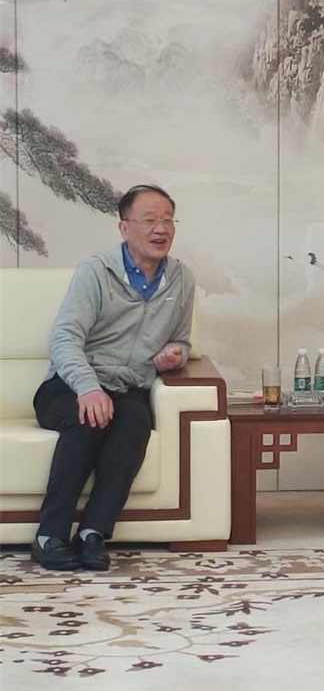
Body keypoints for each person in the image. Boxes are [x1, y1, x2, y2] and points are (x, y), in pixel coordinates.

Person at [30, 184, 195, 571]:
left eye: (168, 220)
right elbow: (64, 338)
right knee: (89, 419)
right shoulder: (96, 272)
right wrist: (88, 388)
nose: (161, 229)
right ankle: (49, 536)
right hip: (68, 386)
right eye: (149, 220)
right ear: (124, 227)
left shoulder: (182, 280)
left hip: (127, 388)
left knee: (135, 421)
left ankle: (92, 533)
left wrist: (176, 355)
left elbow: (183, 341)